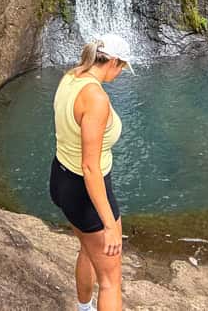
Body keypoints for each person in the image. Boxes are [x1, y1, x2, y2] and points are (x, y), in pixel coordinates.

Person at [49, 33, 134, 311]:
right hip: (87, 193)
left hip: (61, 179)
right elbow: (90, 167)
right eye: (122, 67)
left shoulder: (72, 76)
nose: (121, 73)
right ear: (112, 62)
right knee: (110, 279)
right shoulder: (95, 98)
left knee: (87, 247)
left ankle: (84, 309)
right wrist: (109, 225)